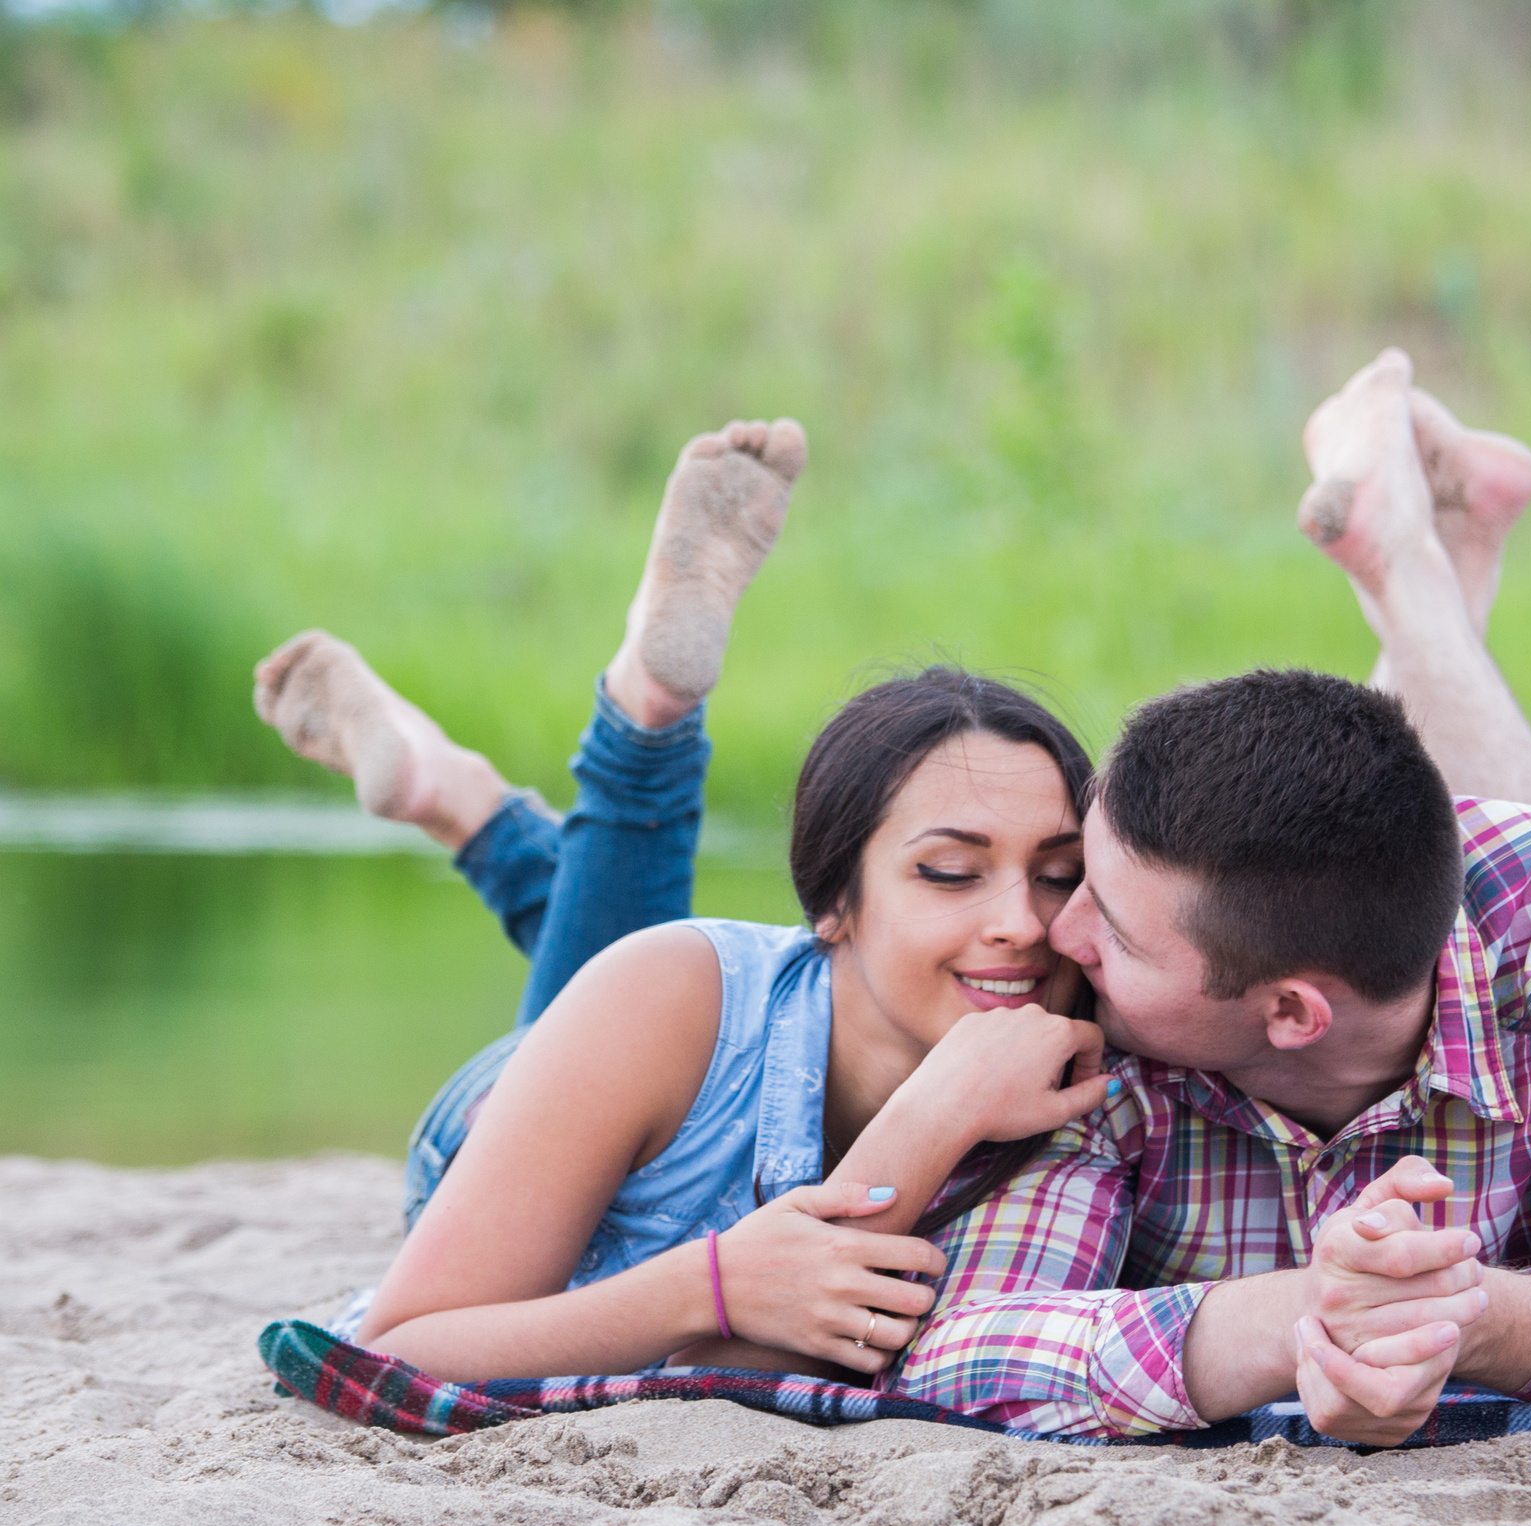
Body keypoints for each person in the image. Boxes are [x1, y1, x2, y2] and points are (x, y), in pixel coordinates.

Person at [883, 351, 1531, 1446]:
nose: (1049, 931)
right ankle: (1422, 577)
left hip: (1484, 945)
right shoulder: (1085, 1007)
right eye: (1084, 878)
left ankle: (1422, 571)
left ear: (1292, 1014)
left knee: (1414, 899)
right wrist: (1303, 1318)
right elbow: (951, 1349)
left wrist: (1482, 1320)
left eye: (1106, 921)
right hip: (1342, 939)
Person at [254, 420, 1113, 1382]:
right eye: (950, 872)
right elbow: (392, 1349)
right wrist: (713, 1283)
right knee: (625, 979)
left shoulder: (1092, 1009)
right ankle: (631, 721)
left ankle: (462, 796)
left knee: (607, 964)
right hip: (521, 1109)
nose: (1024, 923)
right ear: (831, 901)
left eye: (1058, 872)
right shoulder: (671, 996)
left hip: (658, 1032)